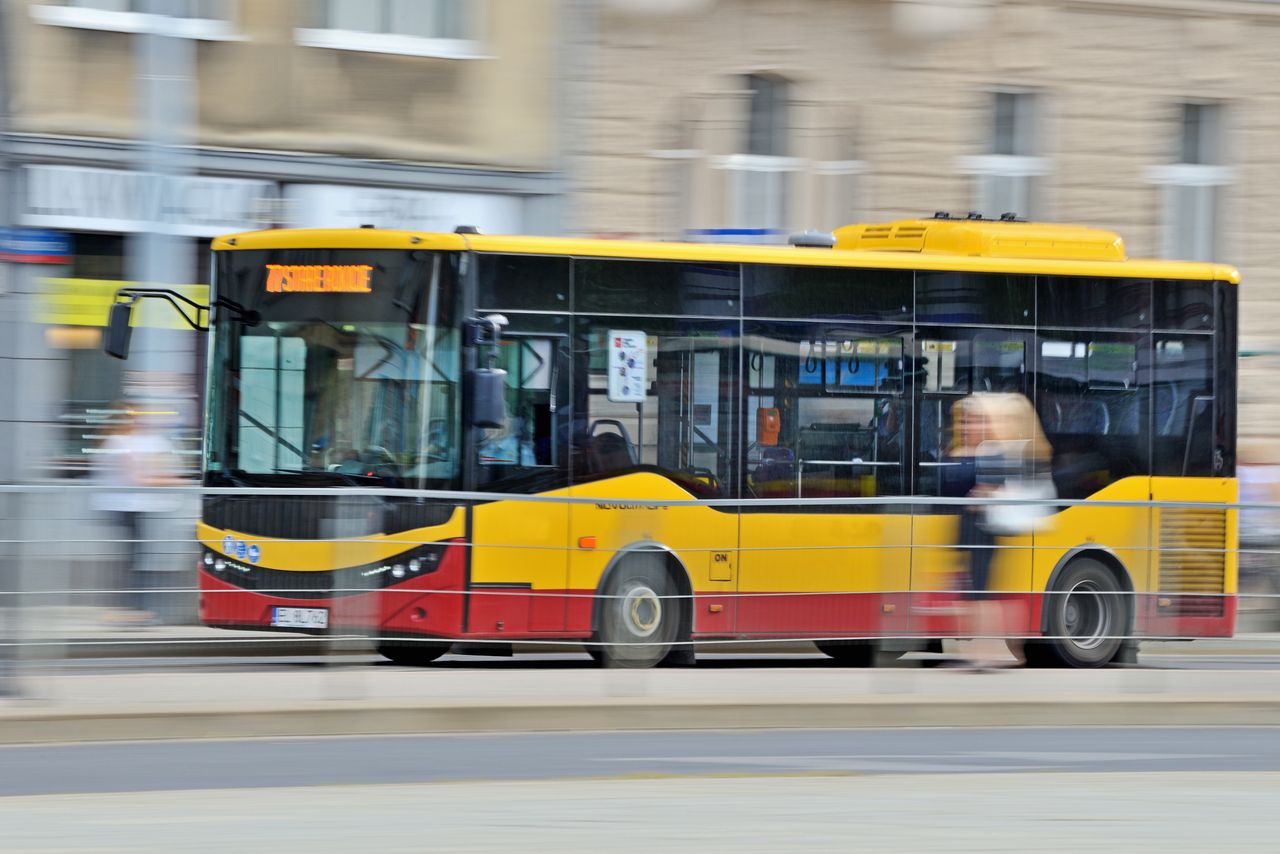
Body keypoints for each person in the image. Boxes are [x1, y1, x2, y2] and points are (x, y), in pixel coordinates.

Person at [943, 393, 1052, 670]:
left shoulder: (994, 452)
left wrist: (980, 495)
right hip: (970, 531)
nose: (965, 426)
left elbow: (995, 487)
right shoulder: (972, 450)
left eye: (972, 421)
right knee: (974, 595)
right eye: (963, 421)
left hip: (983, 530)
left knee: (981, 595)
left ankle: (991, 653)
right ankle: (984, 653)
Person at [91, 403, 182, 625]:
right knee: (135, 560)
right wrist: (169, 480)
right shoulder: (120, 442)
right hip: (128, 508)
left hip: (129, 508)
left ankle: (135, 610)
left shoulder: (119, 441)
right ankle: (135, 610)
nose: (139, 420)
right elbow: (136, 478)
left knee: (134, 560)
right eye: (134, 416)